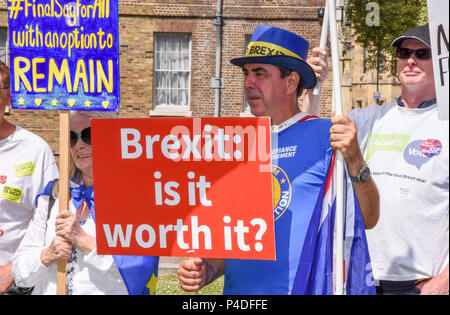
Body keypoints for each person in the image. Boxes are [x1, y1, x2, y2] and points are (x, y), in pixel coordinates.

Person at [177, 26, 379, 295]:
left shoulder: (326, 136)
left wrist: (354, 158)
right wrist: (206, 270)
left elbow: (368, 217)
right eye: (247, 73)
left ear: (291, 82)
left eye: (260, 73)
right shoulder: (234, 144)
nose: (249, 82)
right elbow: (236, 238)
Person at [314, 25, 448, 295]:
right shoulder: (367, 118)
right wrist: (312, 87)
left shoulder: (445, 124)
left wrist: (443, 283)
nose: (410, 60)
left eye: (421, 53)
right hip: (359, 275)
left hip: (421, 282)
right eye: (404, 52)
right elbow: (312, 142)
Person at [12, 111, 159, 295]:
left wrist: (82, 240)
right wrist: (46, 256)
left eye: (88, 135)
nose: (79, 145)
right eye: (72, 138)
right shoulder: (53, 195)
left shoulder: (135, 197)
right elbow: (19, 273)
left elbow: (138, 270)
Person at [0, 61, 59, 295]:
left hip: (15, 283)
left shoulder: (35, 150)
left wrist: (12, 271)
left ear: (7, 98)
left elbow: (49, 218)